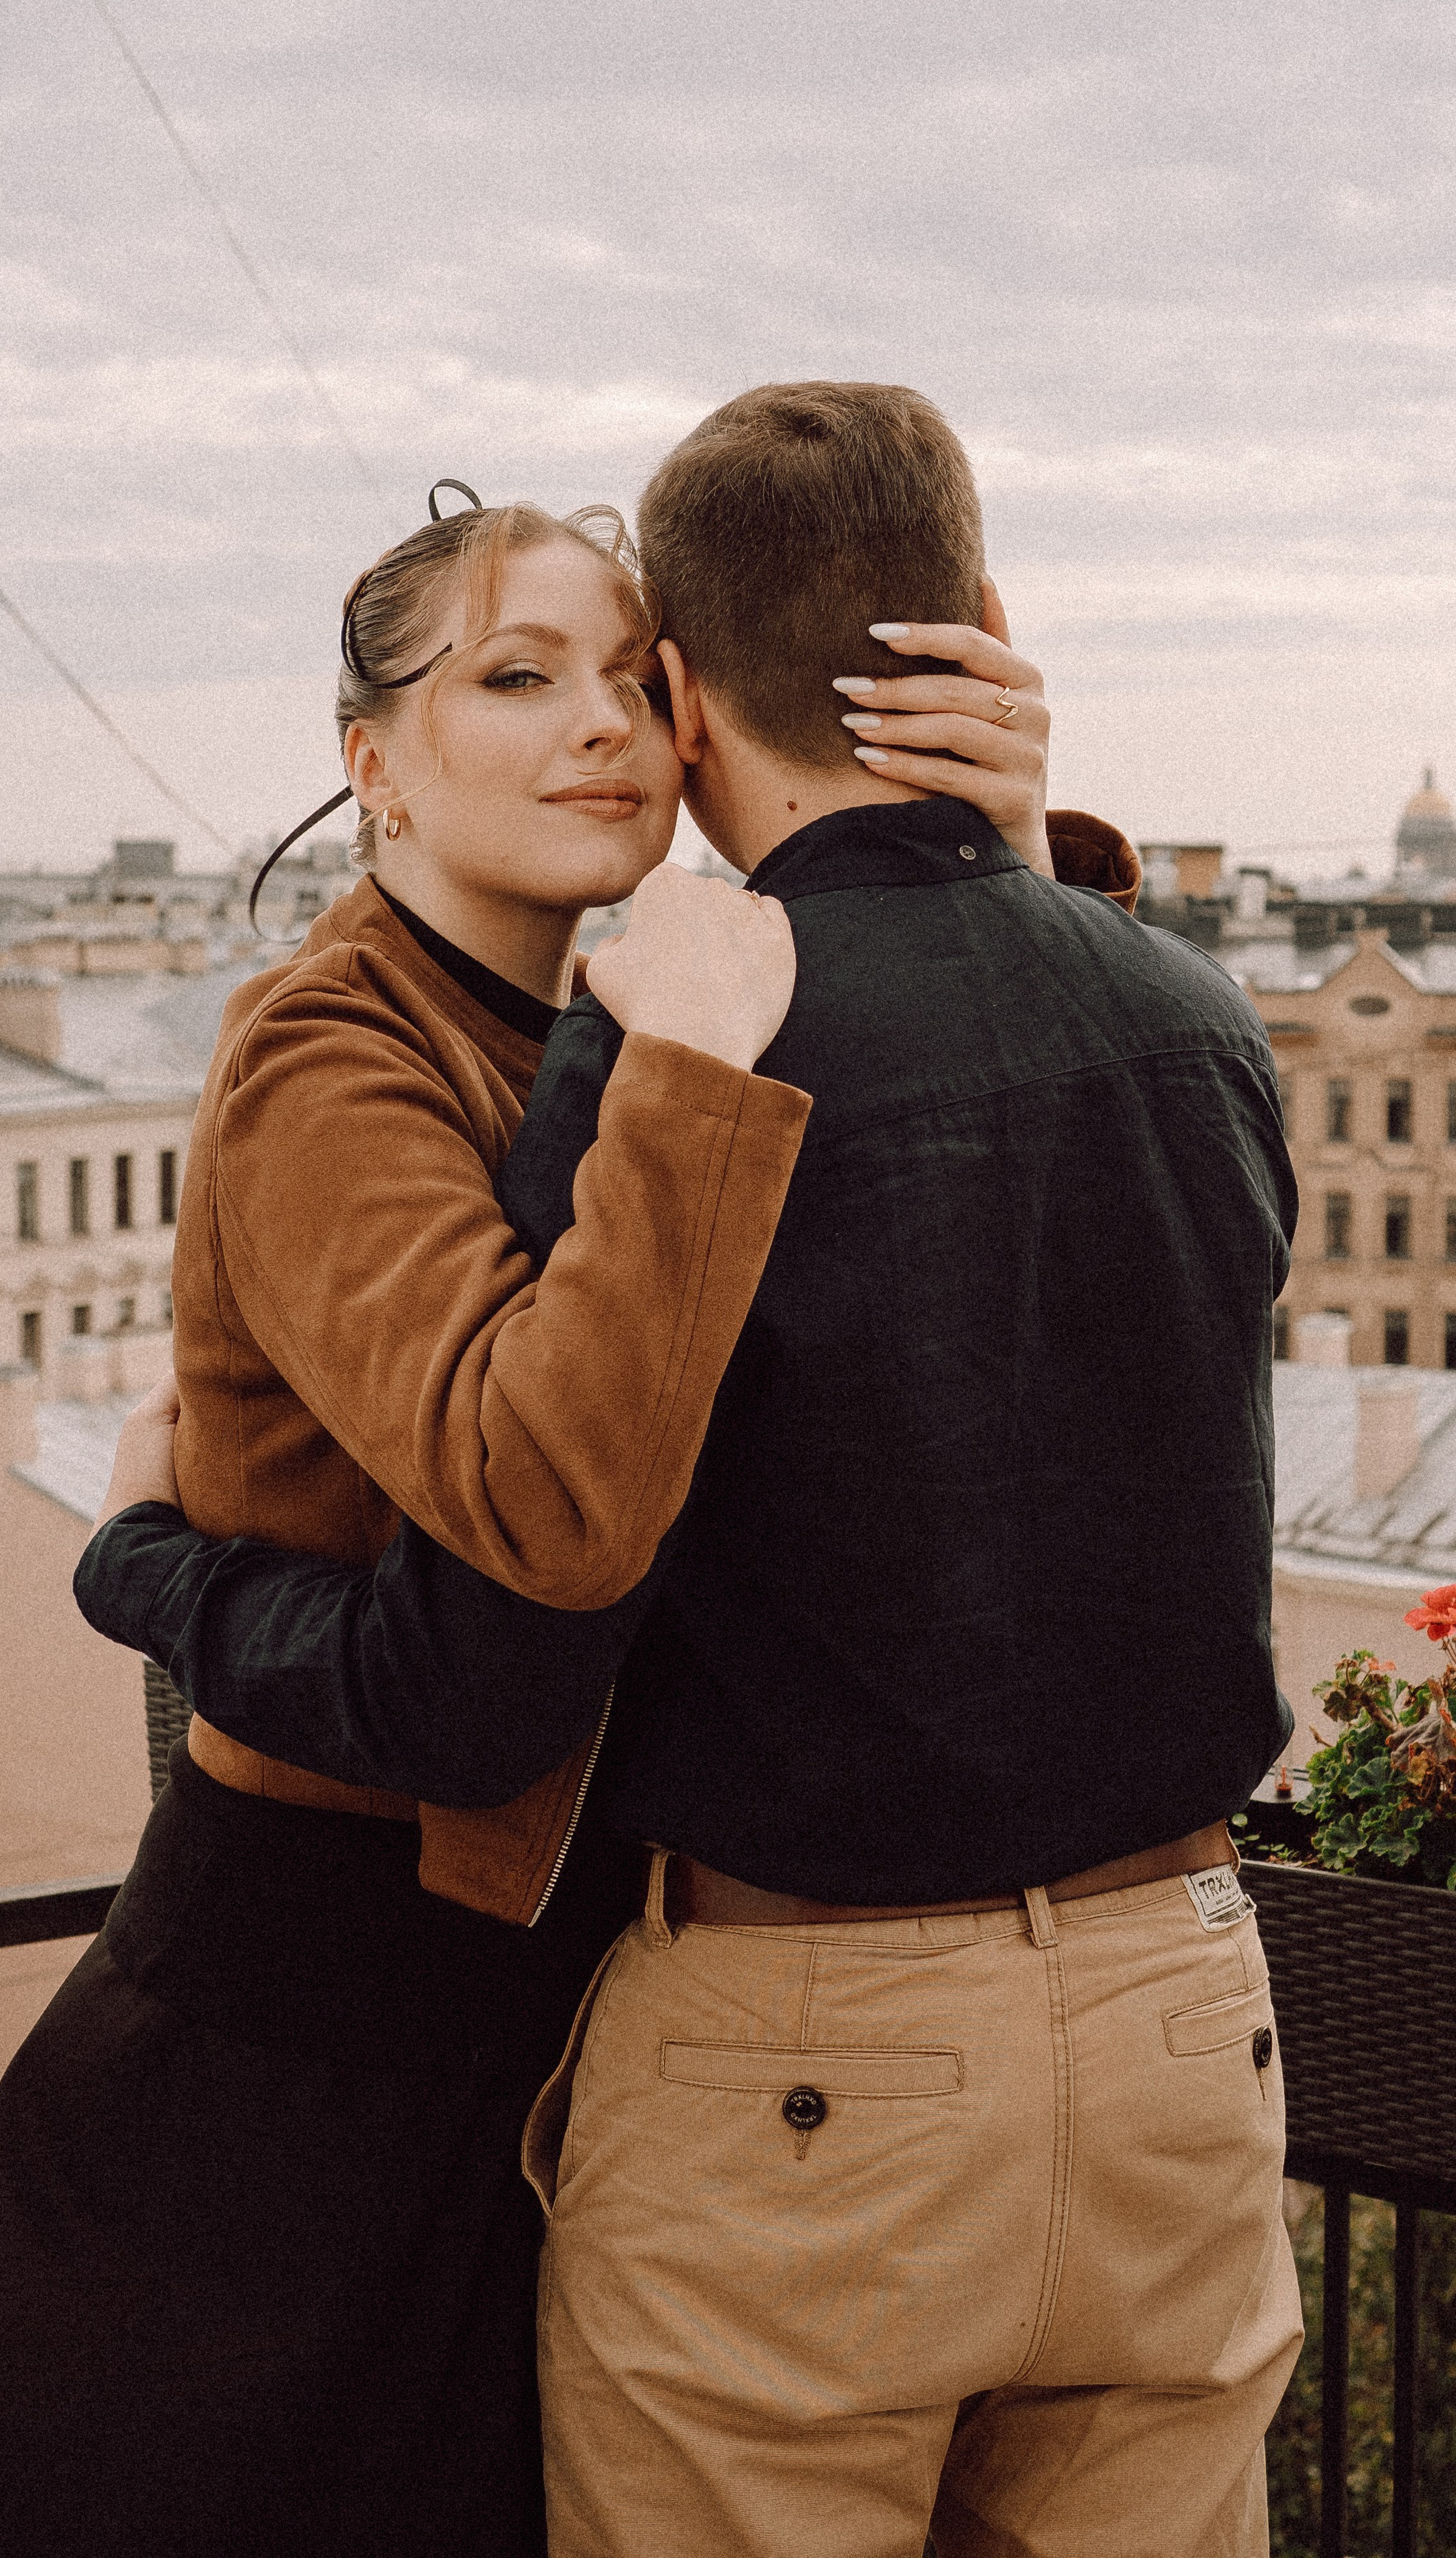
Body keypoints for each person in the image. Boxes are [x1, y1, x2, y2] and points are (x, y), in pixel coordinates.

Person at [75, 383, 1302, 2558]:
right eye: (514, 676)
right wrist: (154, 1563)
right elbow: (523, 1580)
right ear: (369, 761)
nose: (602, 732)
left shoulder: (651, 1029)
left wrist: (993, 873)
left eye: (630, 674)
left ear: (702, 701)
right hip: (327, 2039)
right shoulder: (359, 1046)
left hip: (654, 2024)